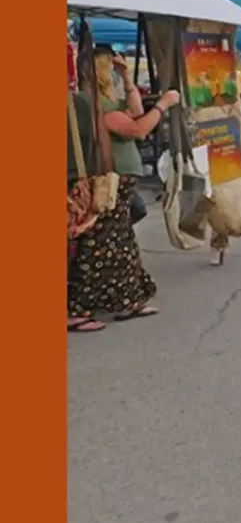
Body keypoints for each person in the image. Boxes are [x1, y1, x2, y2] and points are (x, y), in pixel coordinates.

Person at [68, 45, 181, 329]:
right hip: (108, 180)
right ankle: (76, 309)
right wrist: (164, 104)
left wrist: (128, 79)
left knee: (119, 241)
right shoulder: (90, 102)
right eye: (111, 67)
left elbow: (137, 111)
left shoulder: (106, 99)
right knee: (101, 244)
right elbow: (138, 128)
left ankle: (127, 299)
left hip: (121, 179)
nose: (114, 72)